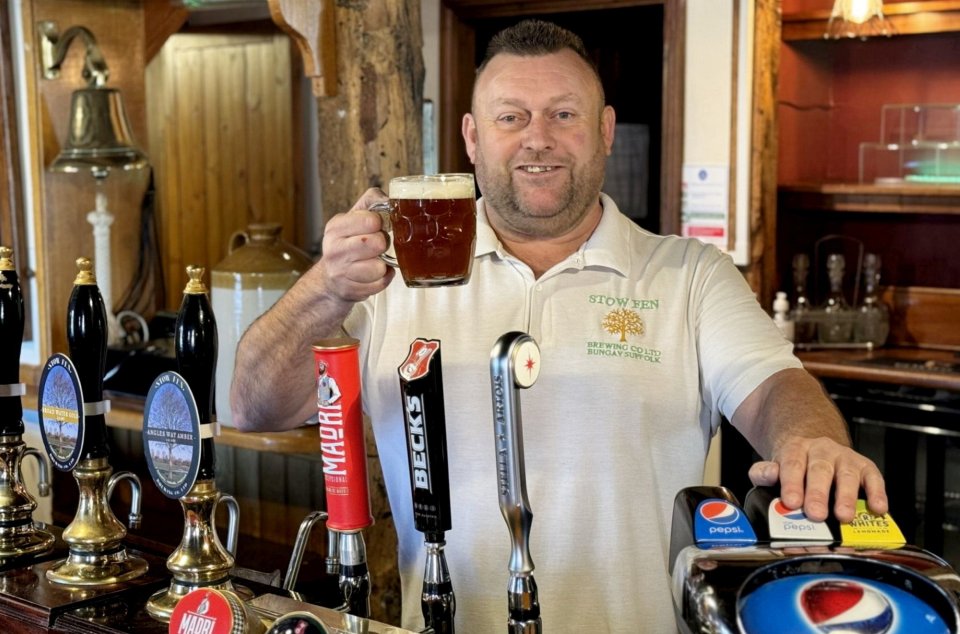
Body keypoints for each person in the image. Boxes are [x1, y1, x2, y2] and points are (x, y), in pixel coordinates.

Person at [231, 19, 887, 632]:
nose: (536, 137)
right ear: (472, 137)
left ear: (604, 130)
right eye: (510, 117)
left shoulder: (689, 275)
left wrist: (812, 441)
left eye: (563, 115)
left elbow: (775, 387)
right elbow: (253, 406)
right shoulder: (390, 276)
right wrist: (324, 286)